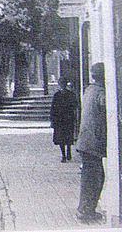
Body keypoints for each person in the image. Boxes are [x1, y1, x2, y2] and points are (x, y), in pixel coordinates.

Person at [76, 62, 107, 223]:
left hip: (86, 141)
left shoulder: (89, 90)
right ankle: (86, 212)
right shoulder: (101, 94)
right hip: (93, 143)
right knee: (94, 179)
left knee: (92, 177)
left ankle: (86, 209)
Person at [50, 77, 77, 162]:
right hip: (64, 119)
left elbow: (53, 109)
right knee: (64, 137)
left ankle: (66, 154)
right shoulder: (68, 94)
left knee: (64, 137)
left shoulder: (60, 95)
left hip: (64, 119)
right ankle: (65, 154)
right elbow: (53, 108)